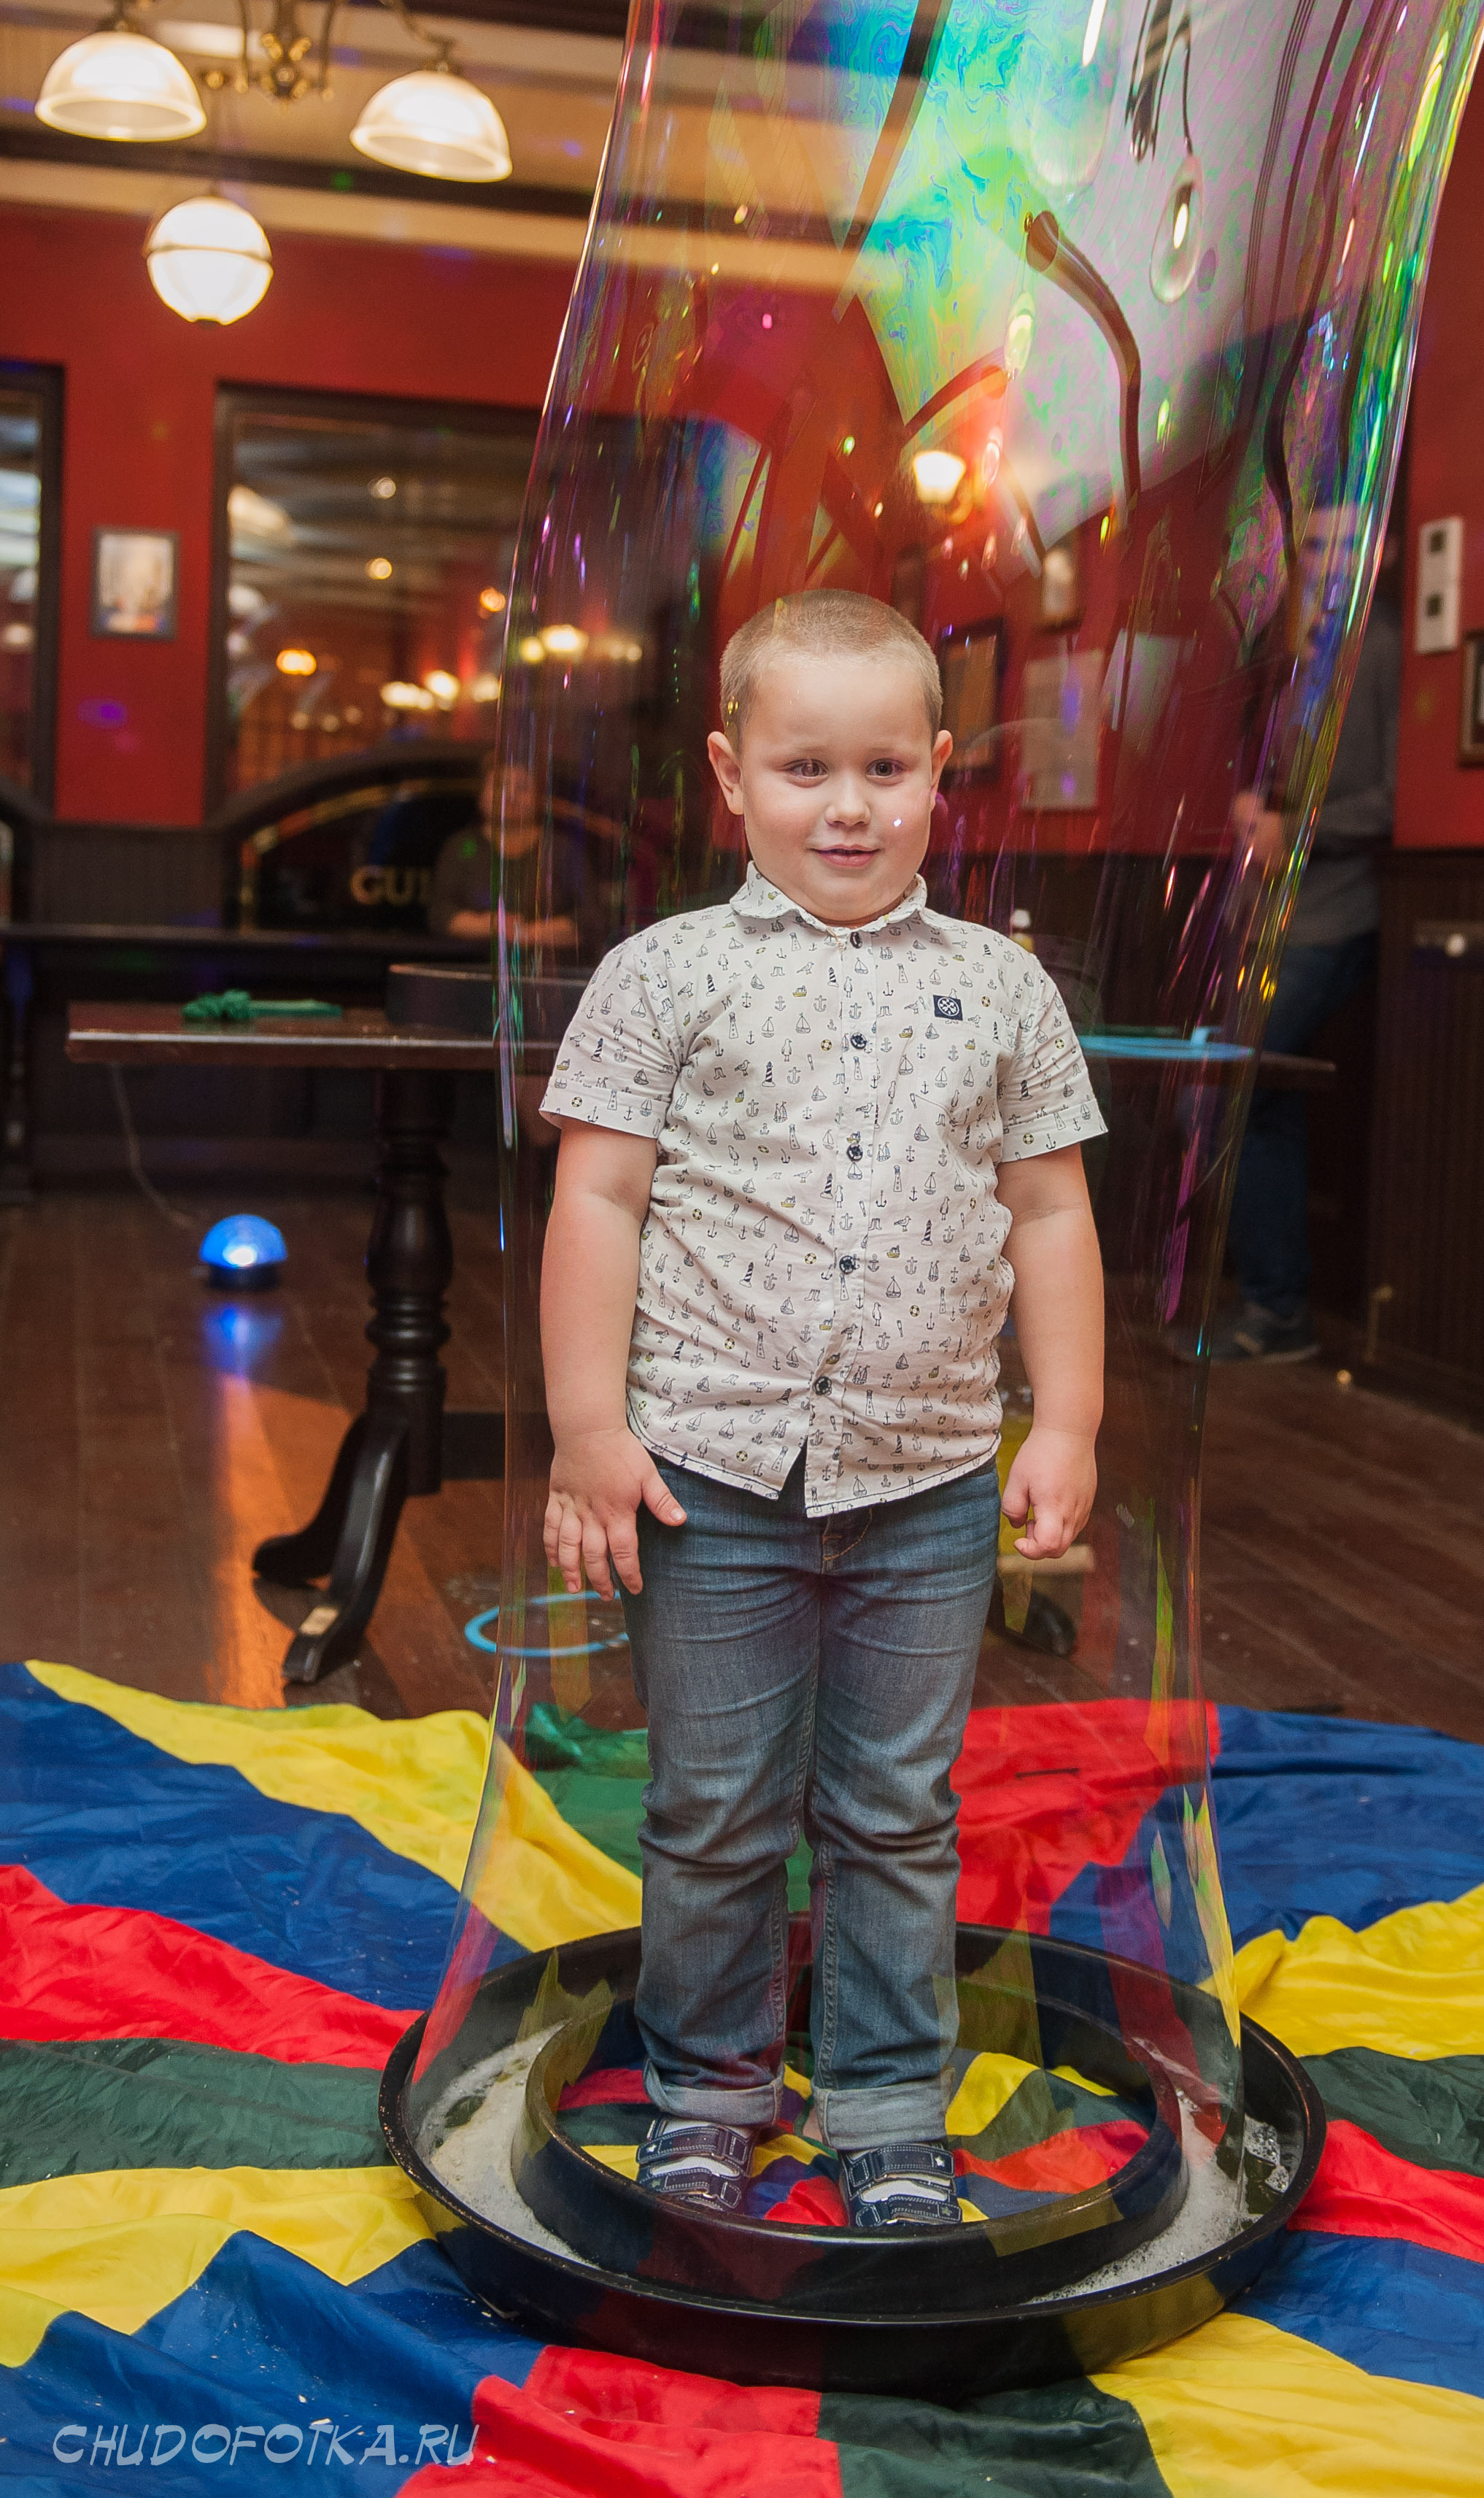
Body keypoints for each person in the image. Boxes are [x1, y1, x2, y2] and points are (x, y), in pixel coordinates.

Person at [537, 589, 1106, 2232]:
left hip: (926, 1480)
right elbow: (600, 1205)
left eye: (879, 767)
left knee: (893, 1807)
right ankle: (708, 2083)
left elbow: (1050, 1214)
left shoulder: (1000, 994)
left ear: (940, 772)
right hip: (705, 1475)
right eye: (801, 768)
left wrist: (1057, 1423)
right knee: (713, 1806)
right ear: (729, 775)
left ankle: (879, 2101)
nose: (842, 805)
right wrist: (590, 1425)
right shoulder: (665, 977)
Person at [1215, 590, 1400, 1363]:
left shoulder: (1383, 646)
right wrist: (1253, 804)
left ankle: (1278, 1308)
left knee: (1249, 1089)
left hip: (1337, 915)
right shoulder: (1295, 656)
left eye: (1333, 547)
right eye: (1309, 552)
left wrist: (1293, 828)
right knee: (1253, 1096)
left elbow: (1391, 804)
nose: (1320, 569)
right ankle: (1269, 1302)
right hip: (1272, 918)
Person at [428, 752, 584, 949]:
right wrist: (492, 927)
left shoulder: (564, 850)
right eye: (500, 786)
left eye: (522, 788)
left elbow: (590, 918)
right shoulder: (461, 847)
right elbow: (441, 913)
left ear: (539, 797)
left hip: (550, 970)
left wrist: (528, 933)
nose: (511, 796)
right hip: (473, 966)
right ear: (482, 796)